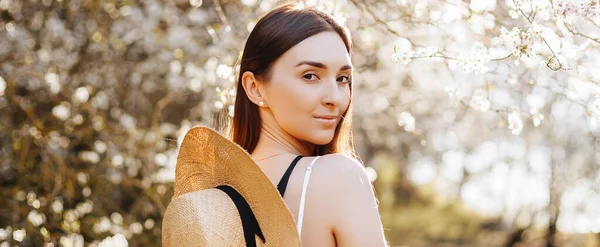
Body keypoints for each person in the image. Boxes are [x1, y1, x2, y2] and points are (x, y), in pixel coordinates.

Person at [229, 2, 388, 246]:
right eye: (310, 76)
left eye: (343, 79)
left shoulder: (211, 197)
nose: (335, 98)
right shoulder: (338, 177)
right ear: (254, 88)